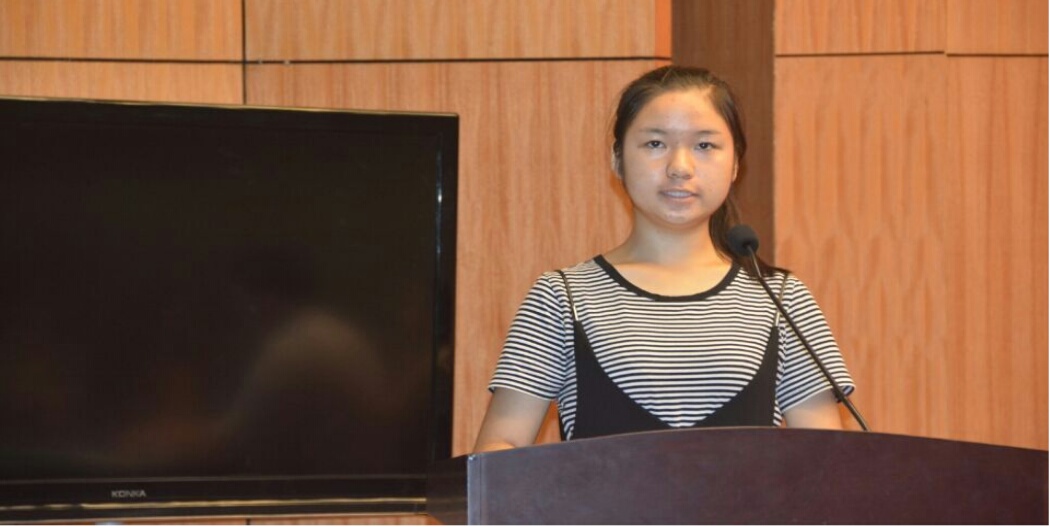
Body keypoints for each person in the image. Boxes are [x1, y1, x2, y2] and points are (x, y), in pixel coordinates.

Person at [473, 65, 855, 453]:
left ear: (736, 164)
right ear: (617, 159)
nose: (680, 167)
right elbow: (500, 449)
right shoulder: (562, 297)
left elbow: (827, 459)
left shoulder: (781, 299)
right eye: (655, 144)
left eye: (705, 146)